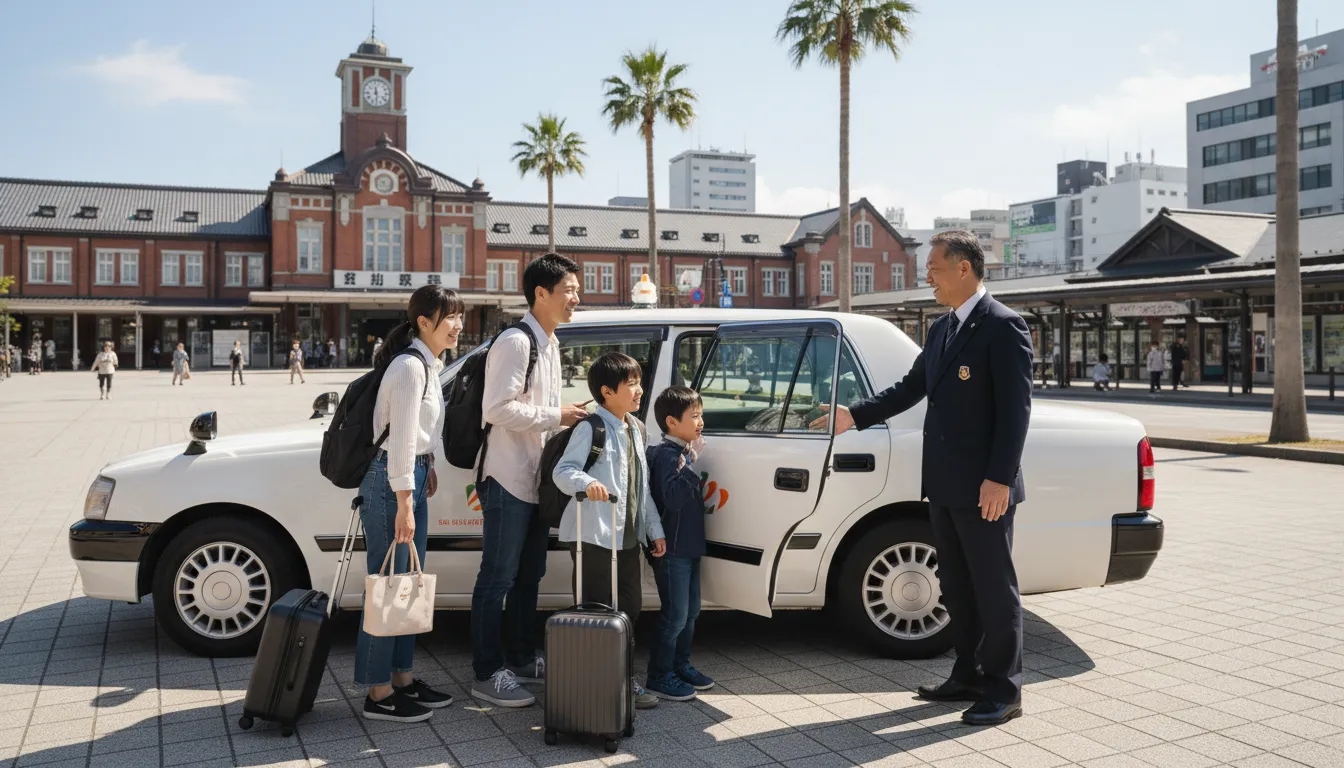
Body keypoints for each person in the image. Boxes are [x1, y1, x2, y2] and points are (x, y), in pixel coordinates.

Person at [811, 230, 1033, 727]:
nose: (926, 276)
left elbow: (1015, 412)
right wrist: (855, 415)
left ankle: (1005, 690)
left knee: (994, 591)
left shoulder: (1004, 326)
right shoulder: (942, 329)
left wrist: (999, 478)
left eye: (933, 267)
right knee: (956, 586)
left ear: (963, 268)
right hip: (945, 484)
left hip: (985, 489)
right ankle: (968, 674)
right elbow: (912, 386)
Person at [469, 252, 587, 708]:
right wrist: (556, 415)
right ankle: (486, 672)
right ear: (541, 293)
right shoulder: (517, 342)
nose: (576, 298)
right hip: (507, 477)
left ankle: (519, 659)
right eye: (569, 290)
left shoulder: (550, 342)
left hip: (536, 479)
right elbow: (496, 409)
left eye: (576, 290)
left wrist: (565, 420)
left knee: (529, 576)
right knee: (497, 577)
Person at [355, 284, 463, 723]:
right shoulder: (408, 367)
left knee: (407, 582)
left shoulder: (429, 365)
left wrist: (427, 465)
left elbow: (418, 434)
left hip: (409, 477)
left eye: (459, 316)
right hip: (391, 481)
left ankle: (401, 678)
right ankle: (378, 692)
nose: (458, 325)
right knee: (388, 583)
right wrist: (404, 500)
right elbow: (399, 438)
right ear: (423, 322)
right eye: (450, 317)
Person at [552, 352, 667, 710]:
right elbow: (563, 472)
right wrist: (587, 483)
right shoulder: (591, 428)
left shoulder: (637, 428)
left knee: (629, 609)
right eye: (631, 384)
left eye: (639, 382)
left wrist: (654, 528)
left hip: (628, 538)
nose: (639, 390)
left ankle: (622, 681)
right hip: (594, 536)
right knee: (595, 612)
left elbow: (642, 488)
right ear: (606, 392)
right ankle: (592, 687)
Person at [643, 385, 714, 702]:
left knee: (691, 612)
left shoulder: (680, 454)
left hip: (687, 547)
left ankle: (680, 665)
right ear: (672, 422)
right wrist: (692, 463)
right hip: (672, 550)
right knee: (675, 616)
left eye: (701, 415)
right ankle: (659, 675)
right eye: (694, 416)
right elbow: (671, 498)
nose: (700, 422)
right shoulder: (667, 456)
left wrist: (690, 458)